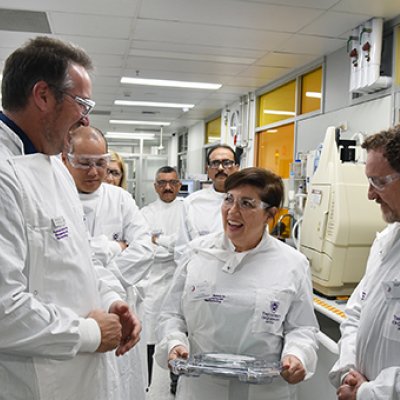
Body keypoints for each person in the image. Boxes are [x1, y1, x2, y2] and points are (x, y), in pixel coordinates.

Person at [0, 36, 140, 400]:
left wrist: (111, 300)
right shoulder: (4, 174)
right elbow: (2, 307)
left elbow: (78, 258)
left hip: (79, 378)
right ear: (43, 95)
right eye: (81, 103)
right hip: (31, 384)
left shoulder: (55, 167)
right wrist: (90, 333)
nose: (86, 117)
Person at [155, 167, 319, 400]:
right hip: (202, 389)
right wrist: (174, 343)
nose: (232, 211)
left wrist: (297, 355)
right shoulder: (197, 253)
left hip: (264, 391)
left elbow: (301, 328)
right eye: (228, 200)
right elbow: (171, 315)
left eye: (247, 204)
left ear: (269, 214)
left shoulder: (292, 263)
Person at [63, 125, 155, 400]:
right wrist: (113, 246)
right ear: (66, 159)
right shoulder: (59, 196)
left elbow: (145, 248)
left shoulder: (120, 198)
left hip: (119, 307)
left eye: (100, 163)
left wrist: (101, 272)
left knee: (122, 382)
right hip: (75, 311)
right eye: (84, 163)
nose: (94, 172)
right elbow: (69, 252)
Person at [329, 125, 400, 400]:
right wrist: (349, 369)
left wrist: (370, 392)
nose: (370, 195)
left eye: (379, 182)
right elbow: (356, 313)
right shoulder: (386, 242)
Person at [140, 166, 184, 386]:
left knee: (177, 336)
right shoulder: (145, 213)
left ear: (179, 185)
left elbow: (186, 248)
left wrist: (160, 240)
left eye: (172, 183)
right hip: (153, 285)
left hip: (181, 283)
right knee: (150, 337)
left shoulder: (187, 210)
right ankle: (146, 384)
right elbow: (146, 249)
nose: (168, 187)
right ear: (155, 186)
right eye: (162, 183)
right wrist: (173, 247)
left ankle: (176, 382)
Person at [174, 144, 239, 260]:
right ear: (207, 169)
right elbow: (182, 249)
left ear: (237, 167)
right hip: (201, 274)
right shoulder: (193, 202)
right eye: (214, 163)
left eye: (227, 163)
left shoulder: (250, 202)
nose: (220, 168)